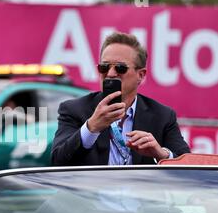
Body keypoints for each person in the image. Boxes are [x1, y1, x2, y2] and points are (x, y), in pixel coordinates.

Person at [51, 32, 190, 166]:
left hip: (139, 189)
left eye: (120, 68)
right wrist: (91, 128)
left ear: (141, 75)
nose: (110, 74)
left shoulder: (163, 116)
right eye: (104, 67)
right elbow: (57, 160)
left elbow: (187, 163)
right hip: (92, 190)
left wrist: (161, 154)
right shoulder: (74, 109)